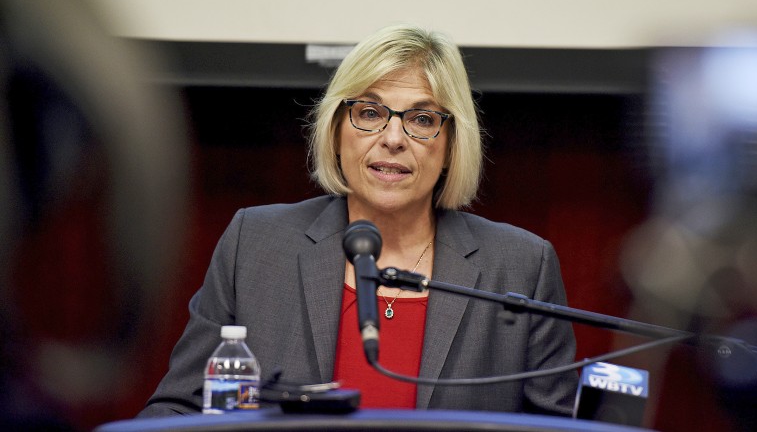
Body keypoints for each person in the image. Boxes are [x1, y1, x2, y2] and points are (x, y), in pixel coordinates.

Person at [138, 24, 578, 417]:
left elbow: (560, 431)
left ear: (451, 144)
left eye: (422, 119)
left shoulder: (521, 265)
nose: (392, 139)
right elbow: (180, 407)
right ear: (335, 129)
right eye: (369, 113)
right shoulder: (255, 245)